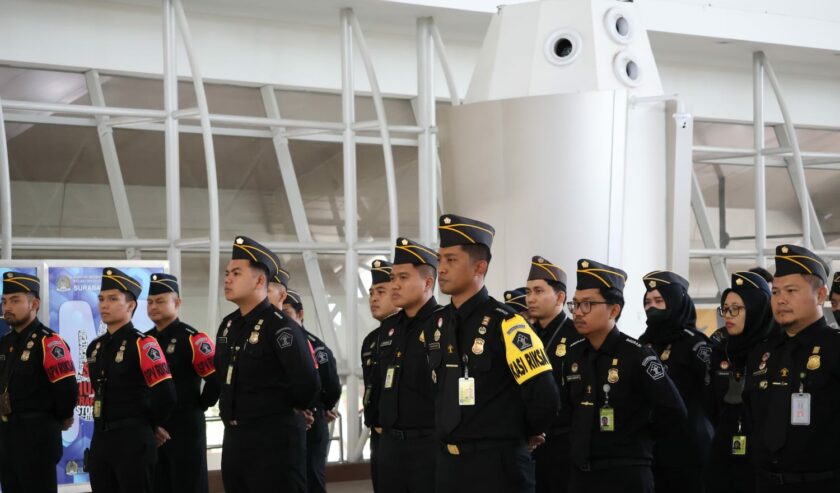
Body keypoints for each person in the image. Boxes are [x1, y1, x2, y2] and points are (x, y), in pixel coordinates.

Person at [432, 213, 558, 493]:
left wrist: (523, 433)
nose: (441, 268)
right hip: (448, 466)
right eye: (439, 260)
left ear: (479, 267)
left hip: (496, 466)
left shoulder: (508, 323)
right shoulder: (438, 323)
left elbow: (544, 395)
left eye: (451, 260)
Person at [563, 259, 687, 493]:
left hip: (626, 472)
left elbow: (673, 410)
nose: (578, 312)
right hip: (582, 474)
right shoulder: (575, 355)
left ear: (614, 310)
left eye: (587, 304)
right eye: (575, 304)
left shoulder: (637, 354)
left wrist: (637, 436)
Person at [214, 236, 320, 493]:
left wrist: (281, 411)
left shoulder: (280, 326)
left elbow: (307, 384)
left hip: (273, 442)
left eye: (236, 273)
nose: (227, 279)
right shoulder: (229, 325)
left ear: (260, 281)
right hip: (235, 439)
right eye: (227, 274)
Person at [744, 244, 840, 493]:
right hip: (765, 483)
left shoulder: (834, 348)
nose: (781, 300)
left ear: (821, 295)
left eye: (791, 291)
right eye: (775, 292)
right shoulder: (762, 353)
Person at [87, 268, 177, 493]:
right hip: (101, 438)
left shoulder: (143, 344)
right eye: (101, 299)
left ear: (130, 306)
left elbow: (166, 395)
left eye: (112, 299)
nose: (104, 305)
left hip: (133, 439)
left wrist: (149, 426)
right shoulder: (96, 347)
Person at [0, 271, 77, 493]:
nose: (7, 307)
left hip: (37, 437)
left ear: (34, 304)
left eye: (15, 301)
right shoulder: (4, 343)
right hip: (7, 437)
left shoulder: (49, 342)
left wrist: (62, 417)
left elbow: (66, 389)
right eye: (5, 301)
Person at [376, 237, 442, 492]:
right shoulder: (389, 328)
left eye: (403, 277)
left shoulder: (445, 324)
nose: (395, 284)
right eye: (393, 278)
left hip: (429, 446)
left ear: (428, 282)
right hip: (390, 447)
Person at [638, 270, 713, 493]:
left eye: (659, 301)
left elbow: (712, 395)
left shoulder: (695, 345)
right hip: (652, 448)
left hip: (688, 448)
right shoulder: (643, 344)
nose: (652, 307)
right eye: (648, 302)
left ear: (676, 302)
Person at [144, 273, 220, 493]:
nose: (153, 307)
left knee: (188, 485)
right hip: (152, 428)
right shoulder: (144, 341)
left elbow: (215, 380)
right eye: (150, 302)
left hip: (185, 426)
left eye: (160, 301)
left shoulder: (193, 339)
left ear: (177, 303)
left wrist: (199, 405)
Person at [706, 271, 775, 493]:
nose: (728, 315)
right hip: (723, 453)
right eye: (725, 309)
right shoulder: (720, 350)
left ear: (756, 309)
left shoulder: (776, 351)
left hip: (764, 460)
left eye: (736, 308)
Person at [524, 256, 580, 493]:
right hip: (528, 445)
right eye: (528, 292)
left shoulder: (576, 336)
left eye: (539, 291)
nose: (530, 298)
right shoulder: (526, 336)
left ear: (560, 297)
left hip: (563, 445)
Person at [280, 288, 342, 493]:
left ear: (300, 314)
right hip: (282, 421)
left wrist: (321, 407)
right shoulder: (275, 344)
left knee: (312, 476)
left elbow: (331, 384)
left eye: (286, 312)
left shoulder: (316, 346)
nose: (282, 318)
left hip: (312, 421)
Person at [361, 259, 398, 492]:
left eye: (381, 291)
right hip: (377, 435)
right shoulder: (370, 341)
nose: (373, 298)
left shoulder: (408, 334)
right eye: (371, 293)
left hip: (402, 437)